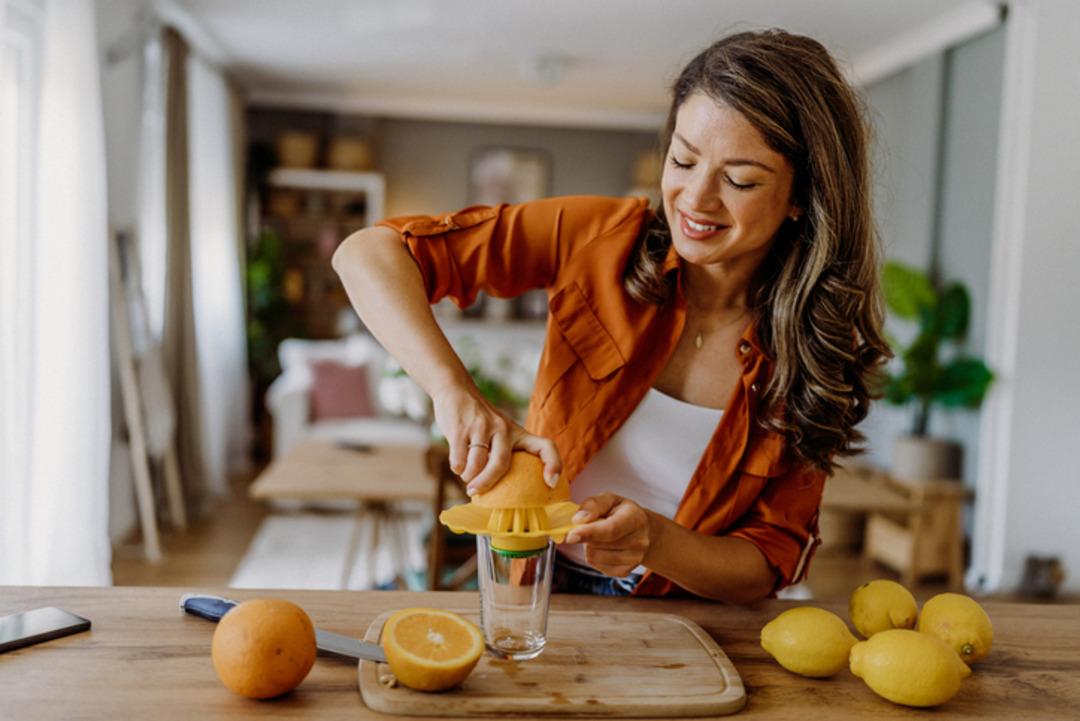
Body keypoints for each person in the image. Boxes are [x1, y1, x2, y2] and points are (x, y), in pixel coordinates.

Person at [332, 29, 889, 603]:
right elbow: (366, 254)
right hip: (539, 586)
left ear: (801, 198)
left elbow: (769, 563)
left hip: (690, 618)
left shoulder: (817, 345)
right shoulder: (599, 238)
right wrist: (453, 392)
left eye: (739, 180)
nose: (695, 199)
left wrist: (656, 542)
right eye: (683, 160)